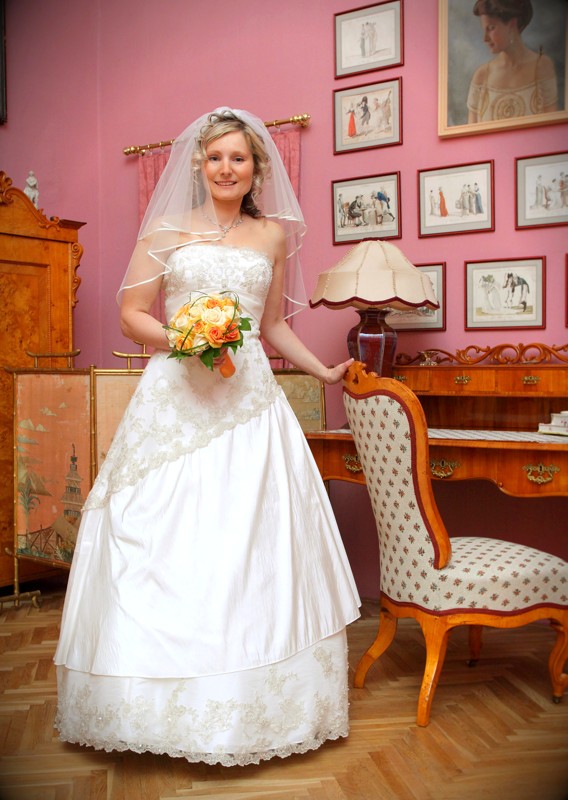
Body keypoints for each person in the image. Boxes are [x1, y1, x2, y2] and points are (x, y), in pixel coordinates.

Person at [53, 108, 361, 766]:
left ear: (256, 167)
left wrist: (322, 370)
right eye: (216, 157)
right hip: (176, 400)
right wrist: (185, 338)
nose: (227, 168)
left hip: (249, 402)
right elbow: (131, 314)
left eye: (239, 158)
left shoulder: (272, 235)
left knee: (250, 542)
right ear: (198, 163)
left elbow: (272, 326)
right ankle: (147, 706)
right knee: (156, 532)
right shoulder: (166, 229)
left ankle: (252, 708)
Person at [467, 0, 558, 123]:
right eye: (484, 30)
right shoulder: (481, 76)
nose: (485, 38)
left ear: (511, 25)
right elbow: (472, 130)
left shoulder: (541, 66)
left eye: (491, 28)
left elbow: (551, 124)